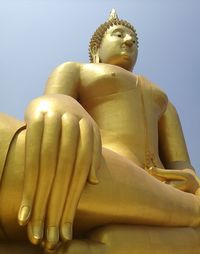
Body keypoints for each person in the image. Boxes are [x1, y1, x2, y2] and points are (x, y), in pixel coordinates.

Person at [0, 9, 200, 254]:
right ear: (97, 50)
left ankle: (112, 245)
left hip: (161, 186)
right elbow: (55, 103)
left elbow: (181, 163)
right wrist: (58, 105)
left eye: (134, 41)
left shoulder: (164, 101)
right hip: (100, 170)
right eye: (119, 35)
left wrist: (191, 179)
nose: (129, 42)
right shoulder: (76, 70)